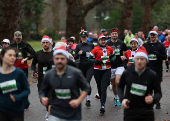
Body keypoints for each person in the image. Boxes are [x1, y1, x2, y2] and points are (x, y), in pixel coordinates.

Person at [39, 46, 90, 121]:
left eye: (62, 59)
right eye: (57, 58)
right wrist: (42, 97)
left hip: (73, 114)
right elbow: (43, 90)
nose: (59, 61)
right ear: (53, 59)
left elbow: (86, 87)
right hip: (55, 112)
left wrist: (78, 100)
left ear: (67, 59)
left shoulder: (75, 73)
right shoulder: (48, 74)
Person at [118, 46, 162, 121]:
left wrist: (153, 99)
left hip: (146, 112)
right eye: (137, 59)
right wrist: (122, 99)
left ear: (146, 60)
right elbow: (120, 87)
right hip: (130, 110)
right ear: (134, 60)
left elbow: (158, 92)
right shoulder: (127, 73)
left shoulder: (152, 75)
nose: (139, 61)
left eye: (142, 59)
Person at [0, 47, 30, 121]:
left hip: (17, 111)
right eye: (10, 55)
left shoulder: (19, 73)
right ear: (2, 56)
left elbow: (27, 90)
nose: (13, 57)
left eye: (14, 55)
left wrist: (17, 97)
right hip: (2, 111)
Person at [88, 34, 116, 113]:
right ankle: (101, 100)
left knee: (103, 87)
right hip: (97, 70)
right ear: (99, 41)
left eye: (104, 40)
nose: (103, 41)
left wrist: (112, 60)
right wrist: (96, 61)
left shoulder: (109, 48)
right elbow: (89, 59)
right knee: (100, 88)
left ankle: (102, 105)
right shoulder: (95, 49)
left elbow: (114, 56)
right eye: (101, 40)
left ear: (106, 41)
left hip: (107, 69)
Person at [143, 29, 166, 109]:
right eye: (151, 35)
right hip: (148, 69)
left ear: (156, 36)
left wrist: (158, 55)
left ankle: (157, 101)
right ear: (150, 35)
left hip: (158, 69)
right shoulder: (145, 45)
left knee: (157, 86)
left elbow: (165, 57)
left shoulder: (161, 45)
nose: (152, 36)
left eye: (154, 35)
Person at [107, 28, 127, 106]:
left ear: (117, 34)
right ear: (110, 35)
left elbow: (126, 52)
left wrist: (124, 56)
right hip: (110, 66)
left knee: (117, 82)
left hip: (120, 65)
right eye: (113, 34)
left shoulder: (121, 43)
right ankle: (116, 97)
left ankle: (119, 97)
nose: (114, 35)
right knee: (113, 84)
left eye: (116, 34)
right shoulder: (107, 43)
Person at [74, 31, 94, 107]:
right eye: (82, 37)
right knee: (84, 83)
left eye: (85, 37)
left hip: (90, 66)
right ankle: (86, 97)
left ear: (87, 37)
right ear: (81, 38)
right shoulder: (78, 46)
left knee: (87, 81)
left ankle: (88, 99)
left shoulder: (91, 45)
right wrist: (78, 54)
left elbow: (95, 54)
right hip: (81, 66)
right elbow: (74, 57)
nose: (84, 38)